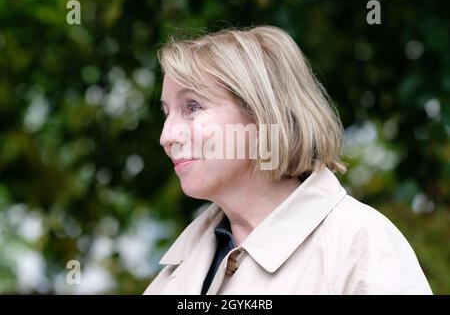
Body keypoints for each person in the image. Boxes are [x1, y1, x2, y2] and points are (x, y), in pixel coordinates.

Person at [144, 25, 432, 294]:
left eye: (192, 106)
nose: (166, 136)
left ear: (262, 113)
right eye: (167, 112)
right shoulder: (175, 275)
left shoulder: (362, 247)